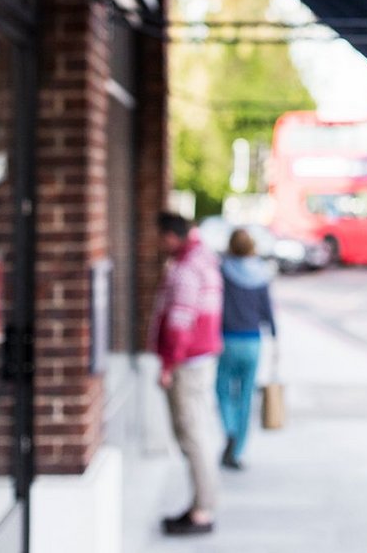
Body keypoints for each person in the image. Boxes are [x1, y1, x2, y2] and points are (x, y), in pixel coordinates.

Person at [147, 211, 223, 536]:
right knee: (198, 433)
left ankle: (202, 511)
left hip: (187, 363)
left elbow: (180, 321)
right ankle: (201, 506)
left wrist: (167, 364)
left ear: (170, 236)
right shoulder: (202, 258)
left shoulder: (187, 269)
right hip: (200, 359)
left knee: (192, 435)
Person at [217, 227, 277, 470]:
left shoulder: (223, 271)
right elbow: (267, 311)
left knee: (222, 389)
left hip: (227, 340)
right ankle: (238, 449)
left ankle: (229, 428)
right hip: (253, 341)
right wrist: (275, 336)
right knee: (245, 397)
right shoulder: (260, 274)